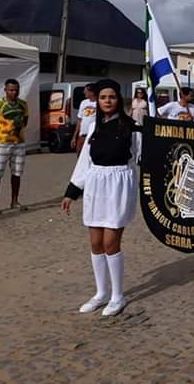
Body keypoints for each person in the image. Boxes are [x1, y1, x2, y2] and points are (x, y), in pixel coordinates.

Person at [61, 79, 142, 316]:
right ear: (98, 100)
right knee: (96, 243)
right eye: (103, 97)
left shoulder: (132, 127)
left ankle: (118, 296)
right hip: (96, 185)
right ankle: (101, 293)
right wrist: (72, 192)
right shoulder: (94, 127)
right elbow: (85, 162)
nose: (108, 101)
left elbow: (141, 156)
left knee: (110, 243)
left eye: (112, 97)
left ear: (119, 99)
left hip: (118, 185)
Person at [0, 79, 29, 215]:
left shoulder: (23, 104)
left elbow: (25, 120)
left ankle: (14, 201)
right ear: (5, 90)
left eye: (16, 90)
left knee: (17, 173)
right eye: (11, 90)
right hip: (1, 144)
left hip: (19, 144)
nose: (14, 92)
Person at [72, 84, 97, 154]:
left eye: (86, 91)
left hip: (92, 136)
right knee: (79, 155)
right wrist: (74, 137)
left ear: (92, 92)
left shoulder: (99, 103)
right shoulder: (83, 102)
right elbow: (79, 120)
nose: (84, 92)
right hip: (82, 136)